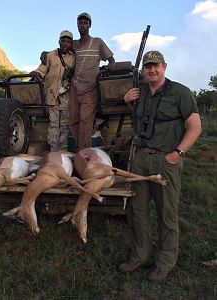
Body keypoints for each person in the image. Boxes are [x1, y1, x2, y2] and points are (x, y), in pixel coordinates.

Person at [119, 50, 202, 281]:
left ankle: (165, 262)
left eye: (156, 66)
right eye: (148, 67)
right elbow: (140, 122)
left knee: (167, 212)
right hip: (141, 159)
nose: (152, 70)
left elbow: (195, 127)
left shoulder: (180, 92)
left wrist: (178, 153)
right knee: (138, 211)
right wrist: (127, 102)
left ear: (164, 67)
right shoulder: (140, 92)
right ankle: (140, 256)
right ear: (143, 70)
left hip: (166, 160)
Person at [69, 12, 115, 151]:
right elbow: (61, 52)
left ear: (89, 25)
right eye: (80, 23)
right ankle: (80, 147)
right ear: (77, 25)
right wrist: (45, 54)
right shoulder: (74, 44)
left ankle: (85, 151)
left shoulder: (97, 42)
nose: (82, 25)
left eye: (85, 23)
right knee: (72, 121)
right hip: (74, 87)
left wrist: (111, 63)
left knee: (86, 120)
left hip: (90, 88)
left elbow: (110, 58)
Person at [29, 31, 75, 151]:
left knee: (65, 125)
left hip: (66, 95)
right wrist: (36, 73)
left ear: (71, 43)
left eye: (68, 41)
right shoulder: (50, 55)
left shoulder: (74, 57)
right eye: (63, 40)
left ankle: (63, 151)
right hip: (52, 95)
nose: (65, 43)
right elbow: (42, 70)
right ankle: (54, 150)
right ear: (59, 41)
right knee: (54, 124)